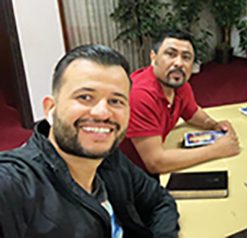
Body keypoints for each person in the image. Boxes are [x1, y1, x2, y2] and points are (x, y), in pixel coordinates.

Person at [0, 45, 179, 237]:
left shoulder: (109, 158)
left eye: (116, 101)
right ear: (50, 109)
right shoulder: (14, 185)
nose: (102, 113)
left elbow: (160, 201)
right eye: (85, 97)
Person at [125, 30, 240, 179]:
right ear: (153, 58)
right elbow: (155, 162)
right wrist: (216, 149)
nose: (179, 63)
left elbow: (191, 113)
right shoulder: (139, 95)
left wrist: (213, 125)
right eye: (171, 54)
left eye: (186, 57)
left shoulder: (179, 84)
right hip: (130, 176)